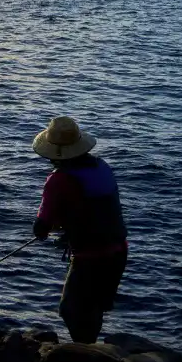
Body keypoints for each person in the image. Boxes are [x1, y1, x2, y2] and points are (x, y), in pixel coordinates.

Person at [31, 116, 128, 344]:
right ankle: (91, 352)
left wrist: (47, 228)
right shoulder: (102, 166)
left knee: (70, 310)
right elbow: (93, 206)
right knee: (94, 308)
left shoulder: (58, 180)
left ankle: (84, 357)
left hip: (90, 257)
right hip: (119, 251)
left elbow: (41, 228)